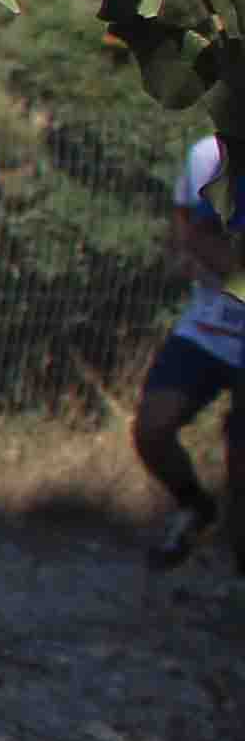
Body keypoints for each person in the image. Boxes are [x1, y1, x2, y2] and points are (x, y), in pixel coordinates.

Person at [139, 109, 245, 568]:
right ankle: (195, 506)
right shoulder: (215, 158)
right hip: (210, 325)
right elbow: (194, 233)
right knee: (152, 427)